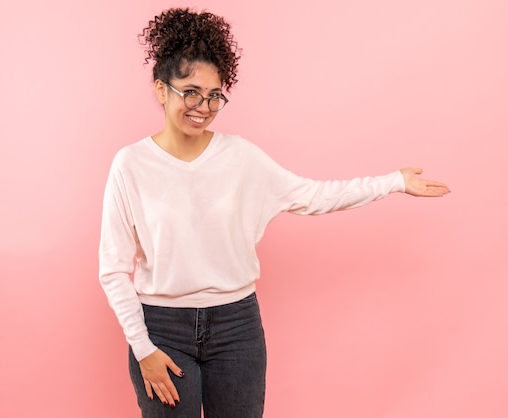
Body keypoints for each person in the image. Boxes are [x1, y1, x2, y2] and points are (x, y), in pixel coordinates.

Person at [98, 7, 450, 418]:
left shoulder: (242, 158)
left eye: (215, 95)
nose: (203, 106)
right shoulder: (131, 165)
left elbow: (313, 195)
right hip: (162, 330)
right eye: (190, 91)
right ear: (161, 90)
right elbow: (112, 267)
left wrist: (394, 181)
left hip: (236, 329)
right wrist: (143, 349)